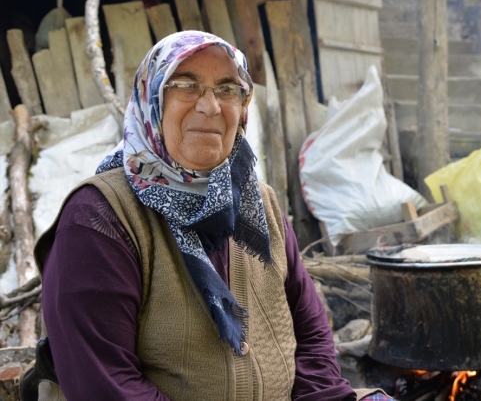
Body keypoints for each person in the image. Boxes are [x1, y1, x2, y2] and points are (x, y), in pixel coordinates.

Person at [34, 31, 389, 400]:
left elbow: (311, 334)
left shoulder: (259, 204)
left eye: (227, 89)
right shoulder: (100, 217)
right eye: (185, 85)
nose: (211, 106)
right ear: (152, 97)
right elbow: (106, 383)